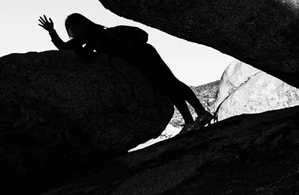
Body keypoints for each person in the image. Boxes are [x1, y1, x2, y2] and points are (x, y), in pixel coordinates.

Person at [38, 13, 213, 132]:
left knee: (171, 83)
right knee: (167, 88)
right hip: (138, 58)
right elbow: (65, 48)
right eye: (70, 30)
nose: (73, 32)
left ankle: (201, 113)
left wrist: (75, 47)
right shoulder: (87, 37)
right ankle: (190, 122)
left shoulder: (95, 32)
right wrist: (52, 32)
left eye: (74, 27)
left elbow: (86, 55)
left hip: (143, 54)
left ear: (82, 24)